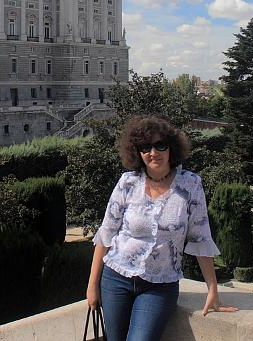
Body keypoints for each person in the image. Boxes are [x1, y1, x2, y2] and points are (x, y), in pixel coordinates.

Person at [86, 115, 238, 340]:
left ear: (171, 148)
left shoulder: (190, 184)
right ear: (136, 151)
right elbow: (106, 233)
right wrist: (92, 285)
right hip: (115, 278)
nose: (153, 153)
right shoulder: (127, 182)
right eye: (145, 147)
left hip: (160, 285)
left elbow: (200, 237)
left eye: (160, 145)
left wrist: (213, 289)